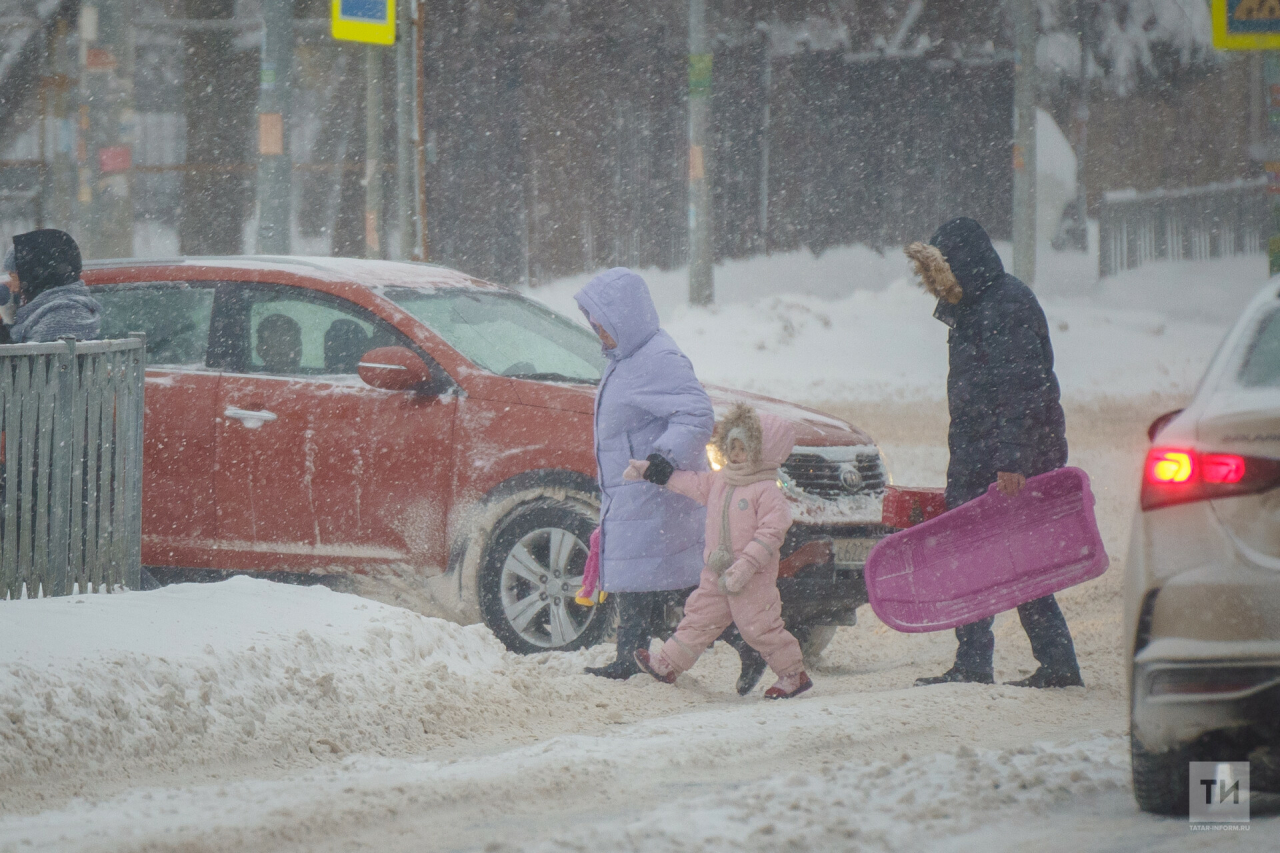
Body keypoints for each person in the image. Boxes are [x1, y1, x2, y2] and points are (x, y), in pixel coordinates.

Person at [905, 217, 1083, 690]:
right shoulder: (973, 306)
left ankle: (1057, 664)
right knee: (972, 553)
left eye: (942, 273)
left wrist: (1012, 459)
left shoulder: (1006, 305)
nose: (938, 286)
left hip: (1011, 456)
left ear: (963, 263)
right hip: (978, 448)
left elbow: (1021, 388)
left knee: (1019, 557)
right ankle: (974, 662)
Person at [574, 267, 767, 692]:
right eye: (592, 323)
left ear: (623, 316)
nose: (596, 330)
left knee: (675, 590)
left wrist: (664, 457)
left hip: (655, 494)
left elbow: (697, 413)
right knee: (640, 583)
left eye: (601, 321)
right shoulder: (625, 358)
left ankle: (749, 645)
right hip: (632, 493)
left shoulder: (657, 358)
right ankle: (629, 657)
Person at [630, 404, 813, 699]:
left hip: (751, 576)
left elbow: (771, 533)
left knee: (760, 627)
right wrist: (655, 473)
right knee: (699, 616)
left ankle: (793, 674)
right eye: (732, 447)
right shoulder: (721, 480)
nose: (735, 454)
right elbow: (694, 483)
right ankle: (668, 663)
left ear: (762, 451)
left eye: (743, 448)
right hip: (717, 570)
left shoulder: (767, 491)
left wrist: (745, 567)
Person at [4, 229, 101, 344]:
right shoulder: (54, 312)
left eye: (14, 278)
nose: (13, 289)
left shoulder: (61, 319)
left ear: (32, 276)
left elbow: (32, 360)